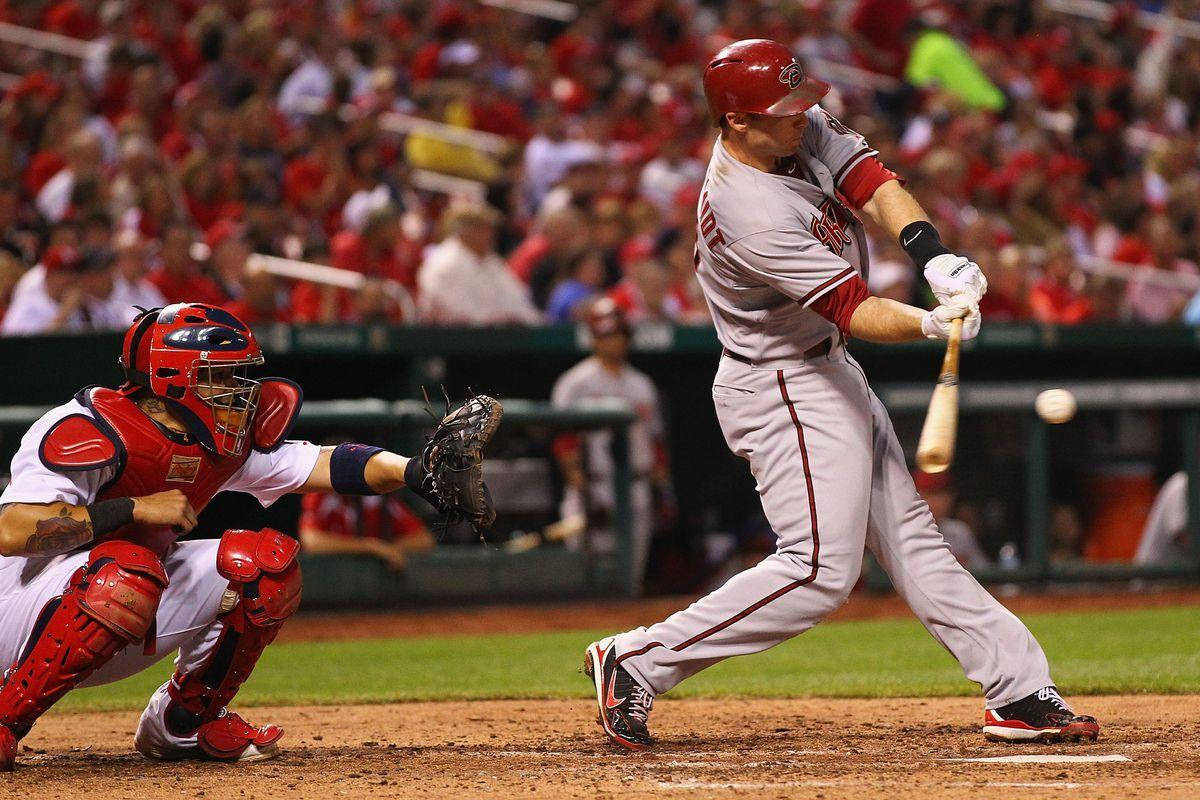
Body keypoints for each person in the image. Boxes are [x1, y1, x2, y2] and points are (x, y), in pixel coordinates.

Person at [583, 39, 1098, 750]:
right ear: (735, 121)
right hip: (781, 383)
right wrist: (928, 320)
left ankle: (1016, 690)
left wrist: (932, 255)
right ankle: (636, 660)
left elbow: (873, 182)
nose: (805, 115)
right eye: (784, 109)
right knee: (821, 571)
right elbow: (853, 306)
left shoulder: (790, 125)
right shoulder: (746, 208)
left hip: (826, 371)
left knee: (916, 542)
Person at [0, 302, 501, 768]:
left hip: (123, 598)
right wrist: (132, 508)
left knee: (263, 566)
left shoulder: (223, 439)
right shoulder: (86, 424)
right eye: (221, 376)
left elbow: (329, 464)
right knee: (126, 572)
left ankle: (180, 725)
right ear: (174, 377)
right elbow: (13, 530)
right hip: (20, 608)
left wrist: (413, 470)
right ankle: (6, 718)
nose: (239, 389)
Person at [551, 301, 671, 592]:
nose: (614, 342)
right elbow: (563, 438)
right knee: (587, 577)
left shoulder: (641, 384)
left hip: (635, 486)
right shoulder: (575, 382)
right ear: (593, 339)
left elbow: (655, 440)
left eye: (618, 335)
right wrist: (577, 479)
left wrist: (662, 484)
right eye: (606, 335)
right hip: (594, 487)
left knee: (632, 577)